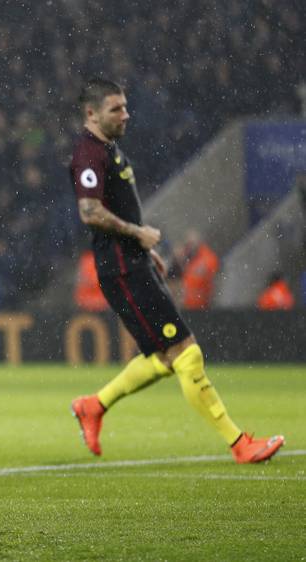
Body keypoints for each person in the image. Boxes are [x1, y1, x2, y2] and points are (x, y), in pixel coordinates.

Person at [68, 78, 283, 464]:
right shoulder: (88, 154)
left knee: (165, 357)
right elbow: (90, 211)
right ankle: (239, 444)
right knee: (186, 352)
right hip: (120, 269)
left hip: (132, 263)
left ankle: (93, 405)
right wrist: (139, 235)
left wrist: (143, 250)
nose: (126, 114)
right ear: (91, 113)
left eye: (125, 106)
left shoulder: (108, 150)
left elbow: (115, 209)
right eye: (116, 108)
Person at [178, 230, 220, 310]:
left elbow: (214, 281)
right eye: (188, 243)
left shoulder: (208, 258)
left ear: (199, 242)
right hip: (187, 305)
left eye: (192, 243)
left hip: (203, 305)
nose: (190, 246)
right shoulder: (186, 257)